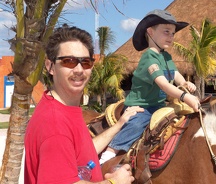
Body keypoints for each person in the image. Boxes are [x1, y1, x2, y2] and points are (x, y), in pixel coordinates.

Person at [24, 24, 144, 184]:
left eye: (86, 62)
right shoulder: (54, 124)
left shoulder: (64, 107)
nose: (79, 69)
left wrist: (119, 125)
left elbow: (82, 152)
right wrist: (114, 182)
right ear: (50, 66)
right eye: (69, 61)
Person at [99, 9, 200, 164]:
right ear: (150, 32)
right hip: (141, 106)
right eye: (166, 31)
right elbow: (164, 84)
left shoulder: (166, 56)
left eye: (173, 33)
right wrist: (185, 97)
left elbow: (174, 74)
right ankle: (110, 153)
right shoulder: (149, 57)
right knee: (138, 123)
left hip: (158, 105)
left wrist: (184, 83)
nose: (171, 37)